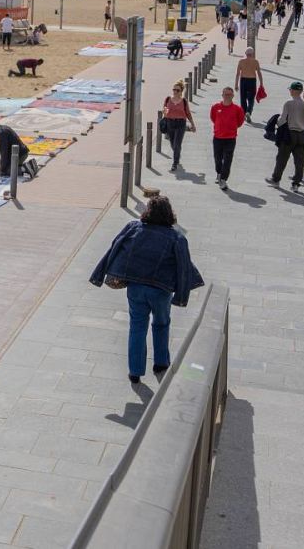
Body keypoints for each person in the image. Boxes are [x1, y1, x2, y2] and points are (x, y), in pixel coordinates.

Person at [88, 196, 203, 384]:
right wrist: (181, 296)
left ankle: (135, 371)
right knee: (161, 323)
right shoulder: (176, 237)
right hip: (161, 290)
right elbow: (183, 267)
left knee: (137, 326)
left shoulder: (135, 228)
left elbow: (115, 247)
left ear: (147, 212)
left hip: (136, 288)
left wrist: (102, 274)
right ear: (170, 214)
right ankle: (160, 363)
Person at [265, 82, 304, 189]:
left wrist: (277, 122)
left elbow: (282, 120)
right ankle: (296, 183)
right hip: (302, 134)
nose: (290, 91)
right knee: (299, 161)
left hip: (290, 134)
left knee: (282, 158)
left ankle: (276, 179)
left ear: (293, 91)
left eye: (290, 90)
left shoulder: (288, 103)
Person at [208, 86, 244, 190]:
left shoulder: (237, 109)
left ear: (232, 96)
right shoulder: (215, 107)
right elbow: (213, 118)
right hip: (218, 137)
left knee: (228, 160)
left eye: (229, 94)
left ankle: (223, 179)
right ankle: (219, 173)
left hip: (230, 138)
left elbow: (240, 122)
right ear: (222, 95)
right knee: (218, 158)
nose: (227, 96)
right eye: (225, 94)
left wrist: (232, 128)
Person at [160, 81, 195, 171]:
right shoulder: (168, 99)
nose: (175, 91)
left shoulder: (183, 101)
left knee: (177, 143)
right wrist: (165, 111)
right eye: (174, 89)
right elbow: (164, 110)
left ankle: (175, 163)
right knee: (172, 143)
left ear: (181, 91)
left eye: (177, 90)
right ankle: (177, 154)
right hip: (170, 123)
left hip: (181, 123)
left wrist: (192, 124)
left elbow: (188, 113)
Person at [0, 116, 31, 181]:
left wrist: (2, 168)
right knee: (6, 168)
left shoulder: (2, 133)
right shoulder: (3, 128)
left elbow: (4, 153)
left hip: (19, 155)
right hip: (21, 152)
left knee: (6, 171)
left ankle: (25, 169)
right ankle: (21, 166)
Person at [235, 48, 263, 118]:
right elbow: (259, 73)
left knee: (243, 97)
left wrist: (236, 84)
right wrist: (261, 83)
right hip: (252, 80)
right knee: (251, 98)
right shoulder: (255, 62)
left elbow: (238, 73)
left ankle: (244, 113)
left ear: (245, 53)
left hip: (243, 80)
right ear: (252, 53)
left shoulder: (241, 61)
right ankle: (248, 111)